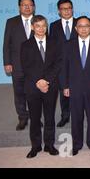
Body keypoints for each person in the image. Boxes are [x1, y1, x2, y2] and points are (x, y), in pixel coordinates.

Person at [60, 16, 90, 155]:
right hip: (75, 87)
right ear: (76, 28)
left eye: (86, 26)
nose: (84, 28)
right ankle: (76, 144)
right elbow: (64, 68)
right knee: (76, 117)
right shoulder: (68, 45)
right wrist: (65, 86)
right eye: (80, 26)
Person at [21, 15, 62, 158]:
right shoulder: (25, 45)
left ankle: (49, 145)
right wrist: (39, 81)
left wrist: (46, 81)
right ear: (32, 27)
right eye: (37, 26)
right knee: (35, 118)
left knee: (50, 117)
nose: (41, 29)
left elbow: (58, 63)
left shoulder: (55, 43)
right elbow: (25, 66)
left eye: (44, 25)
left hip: (50, 86)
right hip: (33, 87)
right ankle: (36, 146)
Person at [3, 0, 35, 130]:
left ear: (34, 7)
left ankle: (35, 117)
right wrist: (7, 62)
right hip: (17, 64)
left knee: (34, 93)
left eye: (30, 5)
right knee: (19, 92)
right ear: (19, 7)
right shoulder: (11, 22)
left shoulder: (39, 21)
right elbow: (6, 44)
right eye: (24, 5)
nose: (27, 7)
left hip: (35, 66)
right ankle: (22, 118)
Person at [49, 0, 77, 127]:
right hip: (61, 64)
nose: (66, 11)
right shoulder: (53, 26)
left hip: (78, 63)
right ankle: (65, 116)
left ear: (72, 9)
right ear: (59, 11)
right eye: (63, 9)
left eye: (69, 8)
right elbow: (52, 46)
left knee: (79, 91)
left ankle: (78, 116)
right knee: (63, 92)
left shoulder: (80, 23)